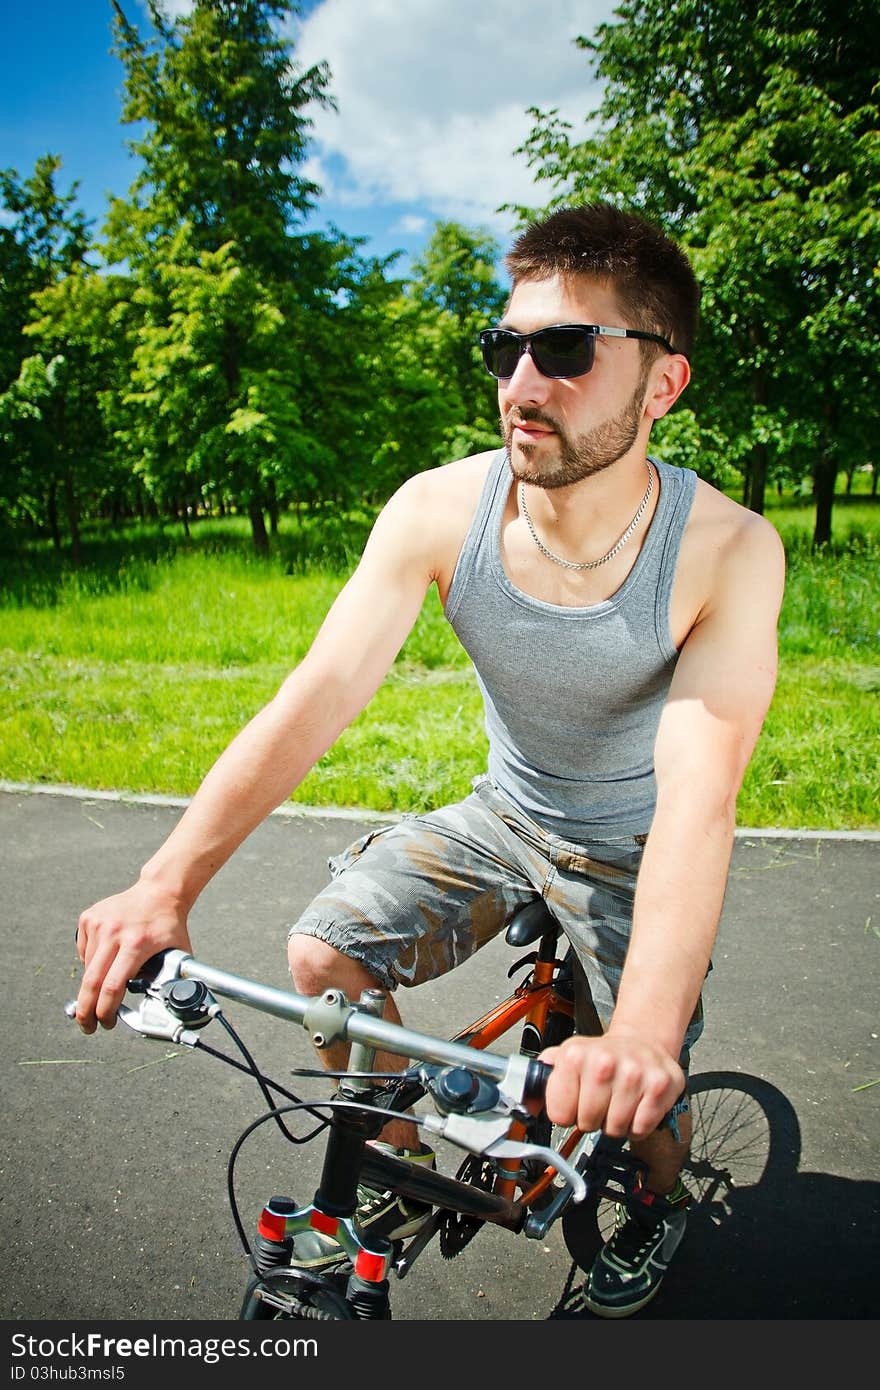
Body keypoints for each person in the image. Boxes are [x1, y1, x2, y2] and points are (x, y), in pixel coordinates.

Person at [74, 202, 785, 1318]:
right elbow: (315, 697)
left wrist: (644, 1029)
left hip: (633, 848)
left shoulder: (729, 551)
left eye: (565, 349)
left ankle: (659, 1200)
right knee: (323, 954)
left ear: (662, 384)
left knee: (634, 1102)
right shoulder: (440, 509)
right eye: (505, 348)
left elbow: (702, 792)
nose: (522, 381)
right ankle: (394, 1165)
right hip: (506, 812)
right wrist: (165, 883)